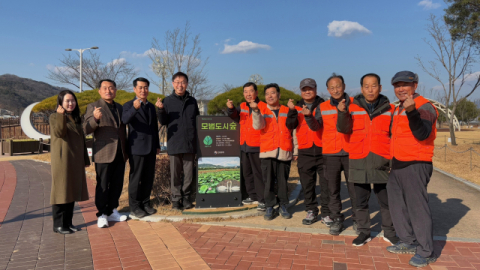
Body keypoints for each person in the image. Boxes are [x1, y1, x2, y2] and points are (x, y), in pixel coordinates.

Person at [337, 73, 398, 246]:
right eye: (366, 86)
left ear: (380, 87)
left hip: (382, 161)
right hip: (359, 160)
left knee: (386, 201)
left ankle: (389, 231)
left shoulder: (390, 109)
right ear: (361, 88)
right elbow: (343, 129)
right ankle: (364, 232)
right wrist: (342, 113)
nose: (370, 89)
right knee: (360, 201)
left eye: (373, 86)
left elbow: (395, 136)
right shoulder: (351, 107)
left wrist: (393, 162)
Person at [386, 71, 438, 268]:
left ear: (415, 86)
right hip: (398, 164)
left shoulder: (424, 106)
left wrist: (412, 112)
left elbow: (423, 133)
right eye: (397, 85)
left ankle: (426, 252)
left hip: (416, 164)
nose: (400, 88)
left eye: (405, 84)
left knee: (418, 210)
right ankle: (408, 241)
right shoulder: (398, 107)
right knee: (397, 206)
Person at [306, 74, 358, 235]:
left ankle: (357, 219)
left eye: (338, 86)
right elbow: (316, 127)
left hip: (351, 151)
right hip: (330, 153)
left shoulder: (355, 104)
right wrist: (308, 117)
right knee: (332, 189)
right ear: (328, 90)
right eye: (332, 87)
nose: (336, 90)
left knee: (354, 188)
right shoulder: (322, 107)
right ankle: (337, 219)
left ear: (344, 86)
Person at [84, 79, 128, 228]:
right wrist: (95, 118)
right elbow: (86, 129)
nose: (108, 90)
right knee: (103, 184)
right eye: (105, 88)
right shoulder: (93, 106)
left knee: (117, 183)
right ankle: (101, 214)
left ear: (115, 90)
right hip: (104, 151)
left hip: (120, 151)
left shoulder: (120, 108)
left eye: (111, 88)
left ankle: (112, 210)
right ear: (99, 91)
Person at [285, 78, 328, 225]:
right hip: (305, 149)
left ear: (316, 89)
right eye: (304, 89)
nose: (307, 91)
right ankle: (311, 211)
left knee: (326, 184)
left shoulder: (324, 105)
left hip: (323, 149)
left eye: (310, 88)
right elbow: (290, 125)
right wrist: (291, 111)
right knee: (307, 184)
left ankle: (327, 212)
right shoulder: (296, 107)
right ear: (301, 91)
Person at [157, 72, 200, 210]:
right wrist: (161, 110)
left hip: (190, 143)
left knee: (188, 174)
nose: (180, 85)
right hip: (175, 143)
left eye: (183, 82)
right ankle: (176, 199)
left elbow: (198, 120)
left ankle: (186, 198)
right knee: (175, 174)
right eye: (177, 82)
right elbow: (163, 122)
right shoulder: (167, 101)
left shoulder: (192, 101)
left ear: (187, 84)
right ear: (172, 84)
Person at [50, 90, 90, 234]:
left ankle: (68, 222)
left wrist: (85, 159)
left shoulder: (75, 118)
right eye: (67, 101)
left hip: (75, 159)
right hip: (62, 160)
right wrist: (61, 115)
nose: (70, 103)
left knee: (71, 191)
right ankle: (58, 225)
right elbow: (60, 132)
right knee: (61, 191)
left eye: (72, 100)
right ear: (60, 103)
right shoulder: (55, 117)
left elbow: (82, 141)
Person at [252, 83, 294, 220]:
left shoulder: (287, 110)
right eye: (267, 94)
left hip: (284, 151)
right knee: (268, 181)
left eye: (273, 93)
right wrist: (256, 112)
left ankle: (283, 205)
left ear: (279, 95)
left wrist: (297, 150)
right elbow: (258, 126)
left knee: (283, 181)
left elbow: (294, 132)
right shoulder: (262, 110)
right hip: (268, 151)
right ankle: (270, 206)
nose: (270, 96)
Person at [122, 77, 160, 218]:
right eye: (140, 87)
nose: (143, 90)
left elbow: (154, 128)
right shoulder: (128, 105)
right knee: (136, 178)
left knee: (148, 177)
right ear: (134, 89)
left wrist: (157, 145)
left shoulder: (150, 106)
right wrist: (134, 108)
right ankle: (135, 206)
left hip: (151, 147)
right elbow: (124, 120)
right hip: (137, 148)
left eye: (146, 87)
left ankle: (145, 203)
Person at [226, 82, 266, 211]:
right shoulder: (242, 106)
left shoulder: (263, 106)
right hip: (244, 145)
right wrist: (231, 108)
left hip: (257, 145)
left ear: (256, 93)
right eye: (246, 92)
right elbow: (234, 116)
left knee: (258, 174)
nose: (248, 94)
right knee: (247, 173)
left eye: (251, 91)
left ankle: (262, 199)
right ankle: (252, 195)